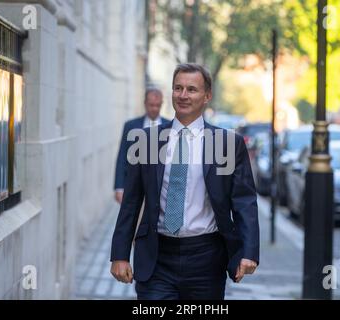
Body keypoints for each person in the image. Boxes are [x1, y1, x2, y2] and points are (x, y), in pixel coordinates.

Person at [110, 63, 259, 300]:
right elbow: (132, 201)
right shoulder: (147, 141)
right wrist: (119, 254)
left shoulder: (227, 144)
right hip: (156, 256)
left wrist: (249, 252)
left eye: (191, 89)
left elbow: (244, 201)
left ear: (207, 96)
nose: (183, 95)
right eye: (177, 88)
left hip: (207, 258)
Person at [113, 88, 170, 204]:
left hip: (161, 189)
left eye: (157, 105)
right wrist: (119, 187)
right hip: (135, 186)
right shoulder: (130, 126)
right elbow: (122, 156)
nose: (154, 108)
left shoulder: (170, 126)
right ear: (145, 103)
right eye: (151, 105)